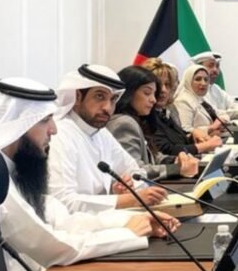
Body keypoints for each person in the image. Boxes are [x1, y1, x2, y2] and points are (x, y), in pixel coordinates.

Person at [0, 77, 178, 271]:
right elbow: (52, 247)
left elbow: (61, 220)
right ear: (17, 125)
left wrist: (133, 220)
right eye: (45, 120)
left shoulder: (18, 167)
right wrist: (127, 233)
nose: (53, 129)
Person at [48, 64, 168, 213]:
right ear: (77, 97)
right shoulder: (59, 134)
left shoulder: (101, 133)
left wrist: (124, 188)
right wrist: (127, 200)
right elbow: (63, 202)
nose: (107, 107)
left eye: (113, 99)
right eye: (100, 96)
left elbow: (136, 174)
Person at [107, 66, 199, 180]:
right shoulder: (124, 123)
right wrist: (176, 169)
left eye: (154, 94)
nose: (153, 100)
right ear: (128, 92)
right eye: (147, 93)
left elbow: (153, 156)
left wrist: (175, 160)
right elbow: (135, 171)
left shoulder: (138, 119)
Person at [141, 58, 222, 157]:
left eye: (167, 84)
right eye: (158, 84)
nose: (163, 90)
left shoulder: (162, 112)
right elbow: (165, 149)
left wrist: (194, 135)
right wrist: (206, 145)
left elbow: (179, 138)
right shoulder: (146, 116)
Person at [191, 51, 238, 120]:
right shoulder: (196, 90)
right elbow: (215, 114)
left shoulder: (216, 88)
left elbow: (232, 104)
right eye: (210, 66)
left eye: (217, 66)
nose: (215, 70)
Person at [172, 65, 225, 135]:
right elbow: (185, 130)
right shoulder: (183, 101)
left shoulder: (201, 98)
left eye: (206, 79)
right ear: (188, 81)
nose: (203, 83)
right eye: (198, 79)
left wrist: (222, 120)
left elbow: (220, 114)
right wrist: (212, 128)